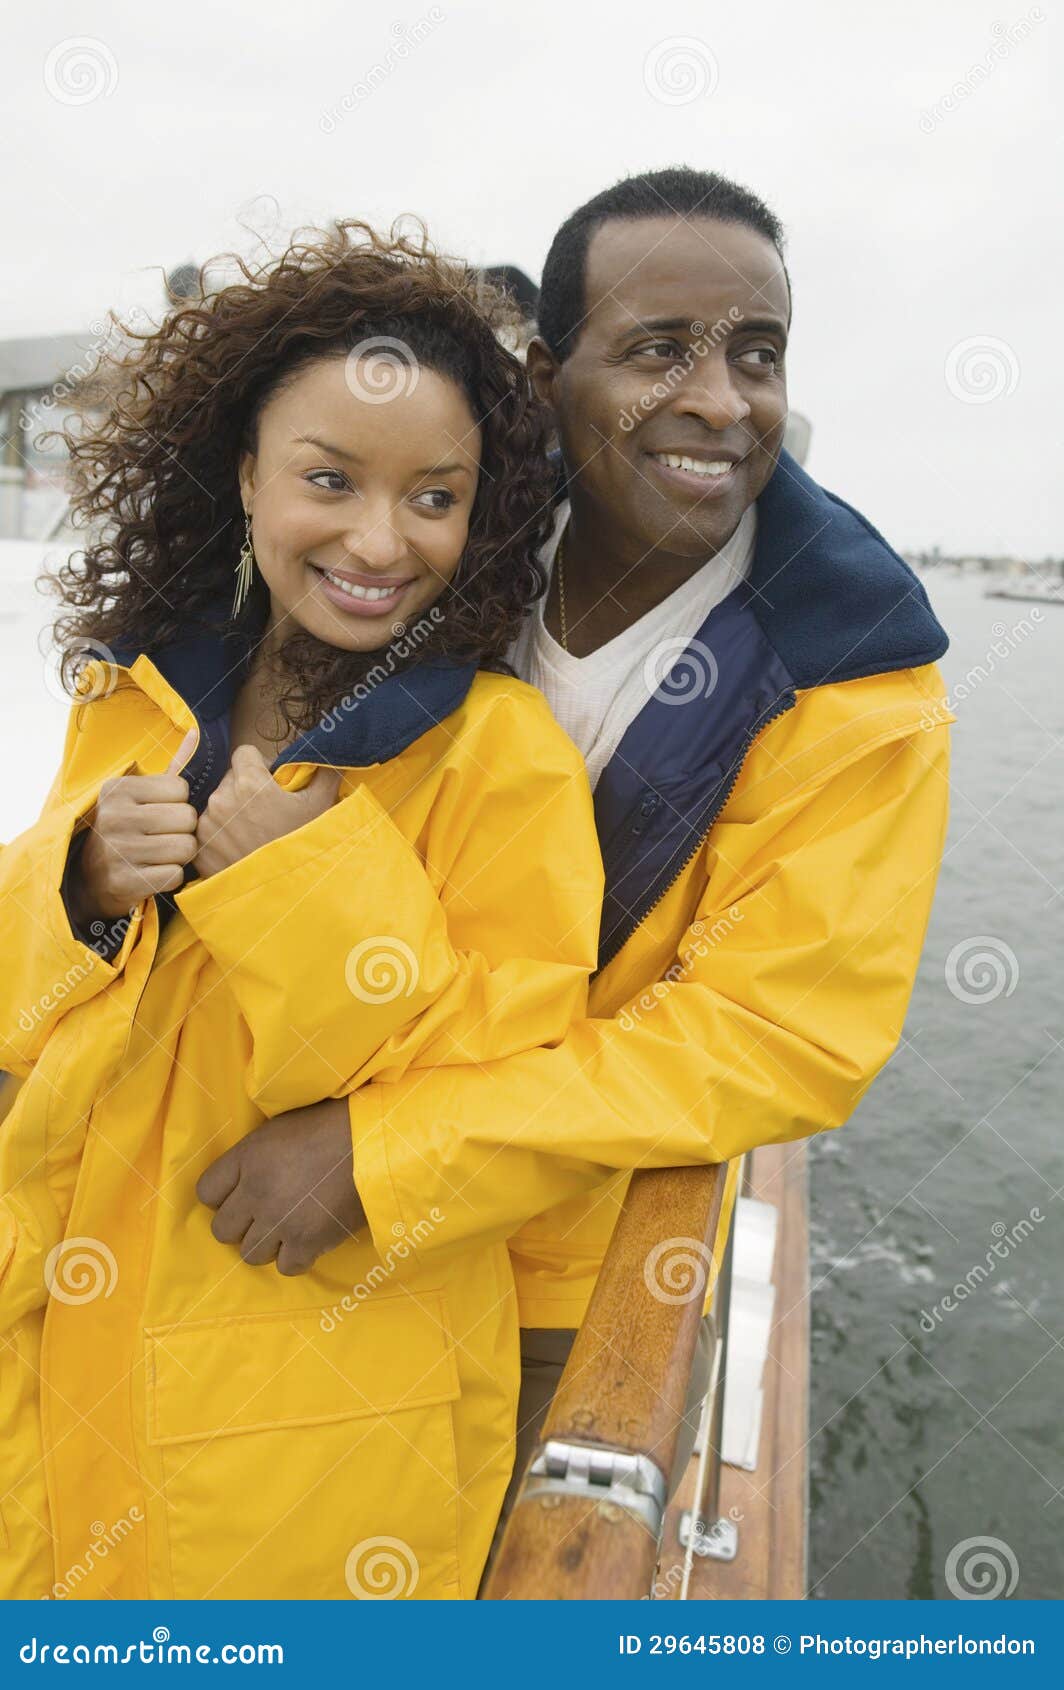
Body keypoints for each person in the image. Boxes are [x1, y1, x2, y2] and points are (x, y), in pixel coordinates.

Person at [213, 168, 954, 1564]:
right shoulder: (429, 535)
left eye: (758, 352)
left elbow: (773, 1039)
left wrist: (393, 1153)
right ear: (550, 377)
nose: (722, 399)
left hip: (549, 1261)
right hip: (264, 1169)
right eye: (659, 347)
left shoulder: (857, 687)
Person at [0, 221, 605, 1600]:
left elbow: (512, 1091)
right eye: (328, 480)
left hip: (311, 1413)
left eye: (434, 498)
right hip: (59, 1348)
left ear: (485, 511)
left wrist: (300, 884)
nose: (378, 541)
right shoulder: (138, 693)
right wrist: (77, 881)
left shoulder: (499, 753)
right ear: (247, 474)